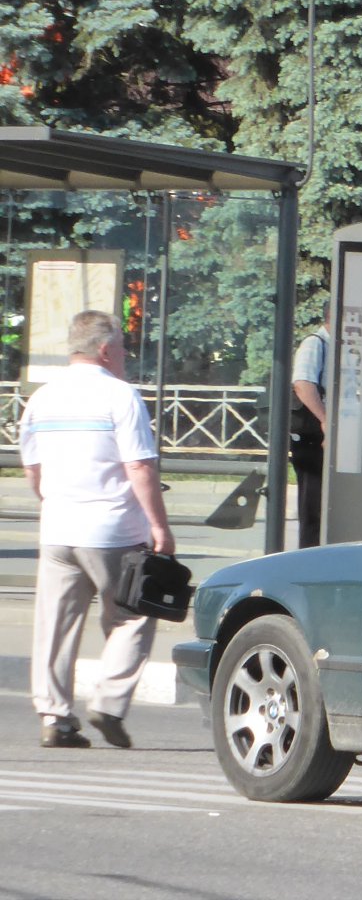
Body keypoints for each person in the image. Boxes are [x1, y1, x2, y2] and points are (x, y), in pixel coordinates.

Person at [20, 310, 176, 750]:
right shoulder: (120, 395)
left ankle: (54, 717)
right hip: (113, 530)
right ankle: (107, 702)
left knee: (54, 626)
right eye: (122, 348)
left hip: (58, 530)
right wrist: (159, 526)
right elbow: (139, 466)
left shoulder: (43, 397)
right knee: (133, 615)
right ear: (105, 350)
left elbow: (32, 470)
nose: (125, 356)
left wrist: (55, 503)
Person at [290, 299, 330, 548]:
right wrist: (325, 420)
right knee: (313, 507)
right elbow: (303, 384)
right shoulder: (315, 343)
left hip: (322, 437)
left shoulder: (335, 345)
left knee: (324, 506)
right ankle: (309, 554)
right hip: (313, 439)